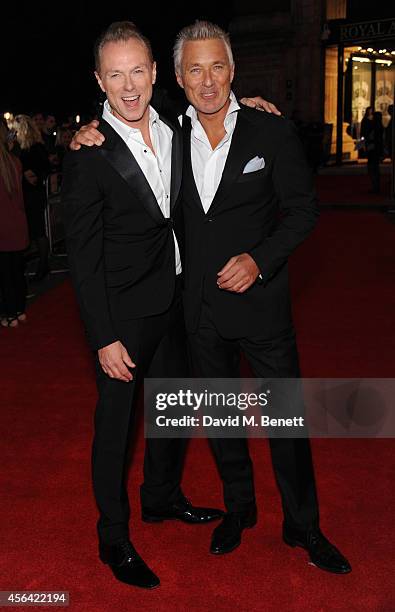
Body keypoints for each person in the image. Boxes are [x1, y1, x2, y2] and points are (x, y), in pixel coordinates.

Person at [73, 20, 351, 576]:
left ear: (232, 70)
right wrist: (76, 134)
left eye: (216, 66)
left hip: (260, 307)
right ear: (177, 75)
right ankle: (238, 511)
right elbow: (94, 238)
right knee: (221, 422)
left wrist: (261, 260)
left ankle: (303, 525)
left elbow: (303, 211)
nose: (206, 81)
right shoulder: (154, 132)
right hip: (195, 313)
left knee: (284, 422)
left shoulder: (265, 130)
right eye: (194, 69)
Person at [61, 21, 224, 590]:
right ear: (99, 82)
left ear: (156, 74)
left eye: (138, 72)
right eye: (115, 76)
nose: (128, 88)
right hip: (123, 318)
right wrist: (102, 336)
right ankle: (113, 536)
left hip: (174, 301)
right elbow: (81, 258)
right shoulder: (89, 153)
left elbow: (221, 119)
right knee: (115, 428)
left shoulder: (178, 130)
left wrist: (249, 101)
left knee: (174, 411)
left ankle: (160, 498)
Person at [12, 115, 50, 280]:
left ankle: (43, 266)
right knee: (33, 230)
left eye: (16, 128)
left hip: (33, 195)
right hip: (26, 194)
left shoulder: (34, 148)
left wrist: (32, 174)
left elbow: (43, 169)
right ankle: (40, 264)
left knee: (38, 230)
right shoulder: (21, 148)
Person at [0, 119, 29, 327]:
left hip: (3, 227)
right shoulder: (15, 162)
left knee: (4, 275)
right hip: (17, 224)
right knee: (16, 271)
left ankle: (8, 313)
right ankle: (18, 310)